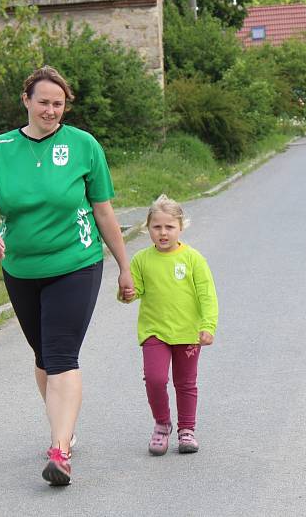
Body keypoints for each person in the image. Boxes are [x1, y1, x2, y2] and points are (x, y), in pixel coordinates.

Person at [0, 66, 133, 486]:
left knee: (61, 356)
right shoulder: (0, 148)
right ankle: (65, 429)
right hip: (21, 268)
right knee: (43, 357)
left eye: (58, 104)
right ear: (26, 100)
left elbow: (103, 210)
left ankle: (59, 451)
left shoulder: (84, 146)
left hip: (76, 263)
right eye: (43, 101)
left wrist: (124, 265)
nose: (50, 110)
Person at [120, 195, 218, 455]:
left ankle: (187, 430)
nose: (163, 233)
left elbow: (207, 294)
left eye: (169, 227)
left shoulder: (193, 259)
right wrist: (127, 293)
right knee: (155, 378)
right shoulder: (141, 259)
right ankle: (162, 424)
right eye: (157, 227)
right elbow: (136, 290)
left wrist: (208, 325)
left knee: (185, 383)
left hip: (187, 332)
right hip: (155, 331)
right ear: (147, 228)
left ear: (180, 227)